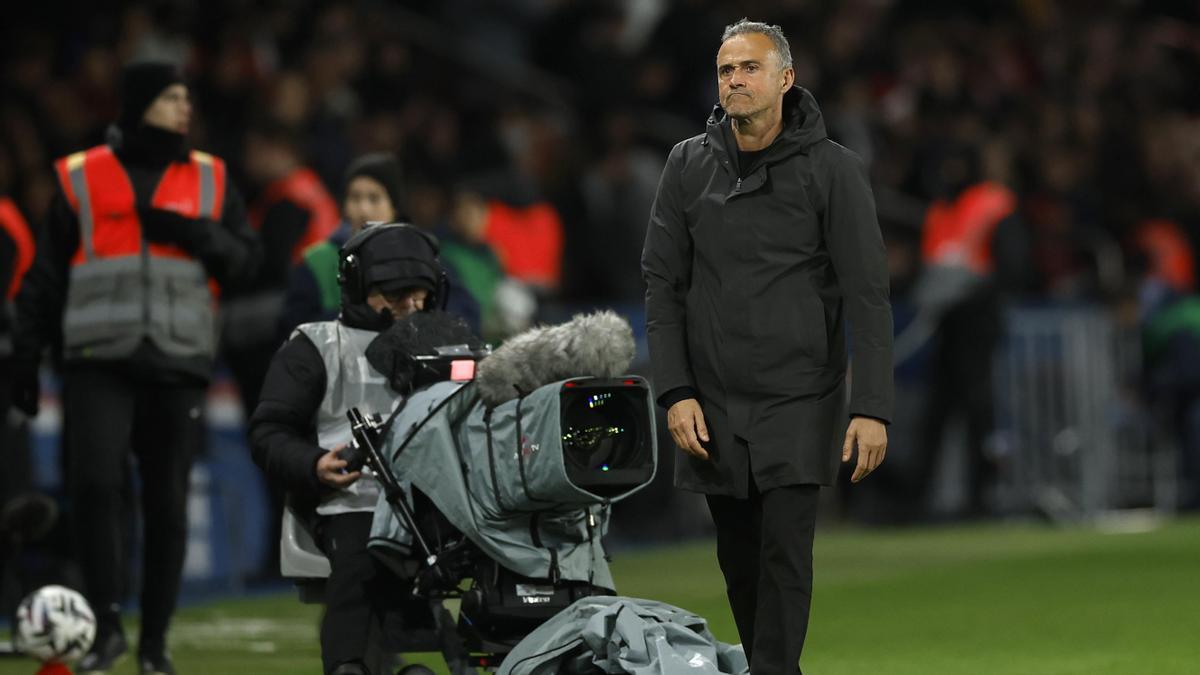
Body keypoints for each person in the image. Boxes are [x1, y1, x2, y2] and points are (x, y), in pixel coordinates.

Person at [641, 20, 893, 674]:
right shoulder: (686, 163)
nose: (735, 81)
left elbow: (867, 294)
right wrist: (675, 391)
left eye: (750, 68)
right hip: (714, 401)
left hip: (798, 396)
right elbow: (661, 285)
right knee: (739, 561)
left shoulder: (834, 170)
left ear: (786, 79)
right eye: (726, 70)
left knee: (784, 555)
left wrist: (871, 406)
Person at [11, 61, 261, 674]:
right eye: (172, 96)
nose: (184, 107)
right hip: (97, 357)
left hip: (177, 362)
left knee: (169, 504)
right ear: (141, 102)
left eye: (186, 96)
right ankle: (106, 628)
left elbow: (247, 264)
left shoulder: (210, 178)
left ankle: (154, 644)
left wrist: (197, 234)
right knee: (95, 483)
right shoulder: (82, 175)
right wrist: (25, 353)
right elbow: (45, 277)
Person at [248, 223, 446, 675]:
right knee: (362, 549)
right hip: (350, 498)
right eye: (397, 297)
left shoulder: (446, 346)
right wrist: (314, 464)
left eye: (420, 297)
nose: (410, 310)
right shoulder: (316, 346)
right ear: (359, 288)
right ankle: (347, 665)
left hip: (438, 500)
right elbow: (268, 433)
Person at [223, 117, 340, 416]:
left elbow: (271, 264)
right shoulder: (307, 189)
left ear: (276, 149)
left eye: (253, 151)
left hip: (291, 316)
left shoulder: (291, 198)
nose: (248, 160)